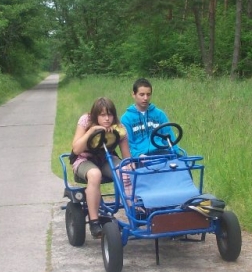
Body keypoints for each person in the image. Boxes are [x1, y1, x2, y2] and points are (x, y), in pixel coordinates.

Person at [71, 97, 132, 238]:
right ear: (95, 115)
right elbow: (76, 149)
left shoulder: (119, 128)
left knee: (126, 170)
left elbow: (127, 158)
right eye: (103, 115)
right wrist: (91, 131)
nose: (107, 119)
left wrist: (131, 166)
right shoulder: (85, 121)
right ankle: (94, 221)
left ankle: (135, 212)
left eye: (110, 115)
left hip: (106, 159)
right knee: (95, 174)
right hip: (83, 159)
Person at [121, 78, 180, 157]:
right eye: (142, 94)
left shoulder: (159, 114)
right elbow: (129, 144)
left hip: (161, 153)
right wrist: (138, 155)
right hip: (141, 157)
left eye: (148, 94)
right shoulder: (126, 119)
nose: (145, 98)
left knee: (183, 166)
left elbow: (170, 137)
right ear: (133, 94)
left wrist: (175, 153)